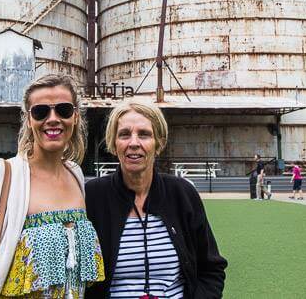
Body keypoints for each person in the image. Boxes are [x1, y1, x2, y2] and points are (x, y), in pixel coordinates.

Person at [0, 74, 104, 298]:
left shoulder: (75, 174)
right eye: (41, 111)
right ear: (28, 119)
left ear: (75, 116)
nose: (53, 118)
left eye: (63, 110)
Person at [85, 100, 227, 299]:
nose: (134, 143)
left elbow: (211, 268)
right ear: (113, 143)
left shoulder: (182, 193)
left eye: (144, 134)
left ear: (158, 144)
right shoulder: (93, 196)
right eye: (124, 134)